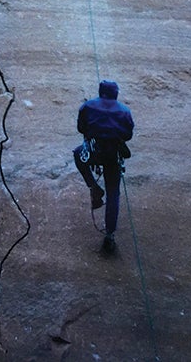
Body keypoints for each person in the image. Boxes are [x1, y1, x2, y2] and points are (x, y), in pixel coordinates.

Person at [73, 80, 134, 253]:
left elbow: (81, 128)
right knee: (113, 191)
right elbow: (128, 135)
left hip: (94, 150)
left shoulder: (87, 106)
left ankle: (93, 186)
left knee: (78, 154)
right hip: (114, 154)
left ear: (101, 92)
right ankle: (109, 235)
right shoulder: (125, 111)